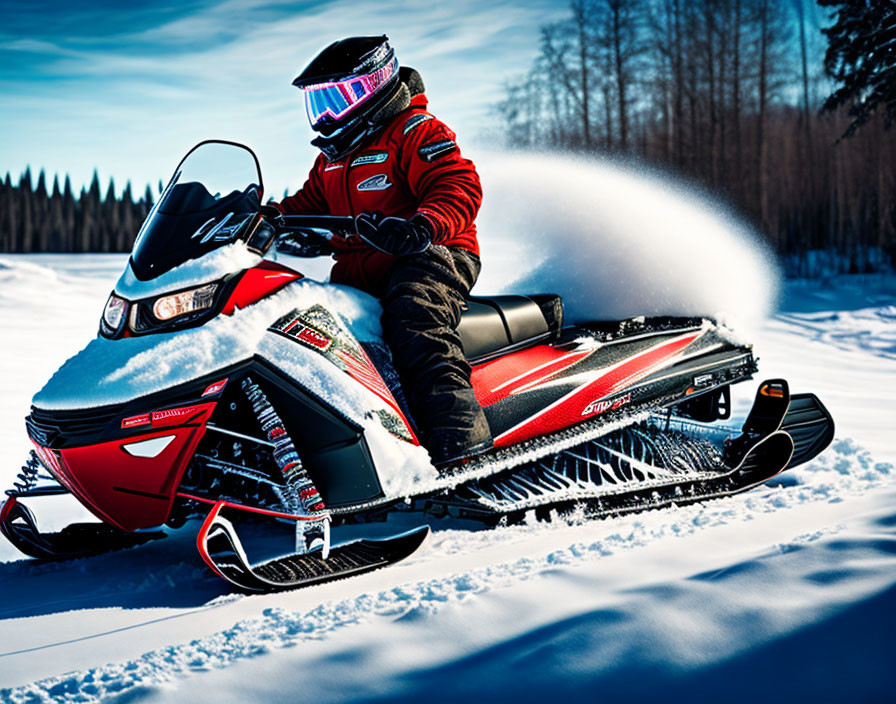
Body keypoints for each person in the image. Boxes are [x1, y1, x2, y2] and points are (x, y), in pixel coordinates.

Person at [276, 35, 492, 467]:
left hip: (432, 257)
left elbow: (458, 185)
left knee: (414, 315)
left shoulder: (416, 131)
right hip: (362, 271)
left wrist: (422, 226)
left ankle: (462, 446)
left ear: (373, 87)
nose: (327, 116)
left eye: (337, 99)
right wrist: (263, 217)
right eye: (318, 104)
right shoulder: (332, 160)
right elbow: (303, 206)